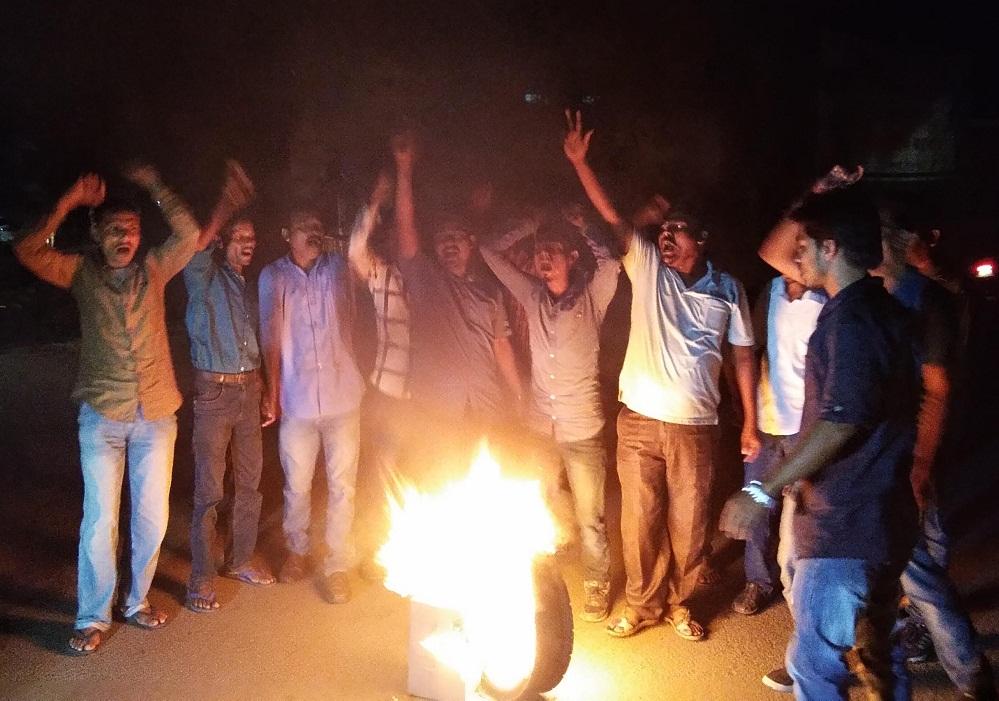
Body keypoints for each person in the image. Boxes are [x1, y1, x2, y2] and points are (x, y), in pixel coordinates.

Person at [563, 110, 760, 642]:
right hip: (640, 423)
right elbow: (613, 217)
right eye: (664, 230)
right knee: (639, 522)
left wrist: (749, 422)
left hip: (696, 425)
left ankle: (682, 603)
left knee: (690, 527)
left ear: (703, 240)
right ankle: (643, 603)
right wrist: (582, 164)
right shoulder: (647, 267)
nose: (667, 237)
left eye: (679, 232)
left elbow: (743, 354)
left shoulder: (727, 289)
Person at [721, 183, 920, 700]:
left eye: (805, 245)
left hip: (846, 527)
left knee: (815, 669)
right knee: (879, 655)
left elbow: (842, 419)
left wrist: (762, 489)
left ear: (830, 248)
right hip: (879, 517)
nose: (797, 255)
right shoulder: (879, 310)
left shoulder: (852, 321)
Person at [14, 166, 201, 654]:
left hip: (157, 414)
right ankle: (92, 615)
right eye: (115, 229)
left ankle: (135, 601)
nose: (126, 237)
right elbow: (27, 248)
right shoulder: (82, 273)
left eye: (133, 229)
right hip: (102, 416)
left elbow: (191, 234)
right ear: (97, 234)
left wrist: (158, 185)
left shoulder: (155, 269)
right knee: (100, 518)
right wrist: (72, 197)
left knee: (152, 516)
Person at [875, 219, 997, 700]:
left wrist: (920, 462)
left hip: (921, 448)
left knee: (919, 561)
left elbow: (938, 390)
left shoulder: (927, 300)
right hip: (920, 446)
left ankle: (967, 669)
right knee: (925, 557)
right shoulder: (900, 296)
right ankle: (948, 653)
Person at [480, 208, 620, 622]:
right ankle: (540, 579)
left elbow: (611, 261)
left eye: (553, 252)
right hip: (540, 425)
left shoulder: (594, 296)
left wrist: (582, 227)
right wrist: (530, 223)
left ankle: (597, 583)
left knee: (590, 517)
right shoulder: (532, 295)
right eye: (540, 253)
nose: (543, 259)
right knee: (538, 502)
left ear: (572, 258)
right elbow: (489, 251)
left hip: (582, 428)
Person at [391, 133, 522, 471]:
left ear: (471, 243)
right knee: (440, 486)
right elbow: (406, 231)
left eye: (456, 237)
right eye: (442, 238)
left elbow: (501, 346)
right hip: (437, 410)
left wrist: (519, 394)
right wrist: (404, 170)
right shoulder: (426, 281)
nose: (449, 243)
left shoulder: (489, 292)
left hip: (484, 406)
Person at [182, 161, 276, 613]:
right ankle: (201, 576)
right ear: (223, 243)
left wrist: (266, 391)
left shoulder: (247, 286)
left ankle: (239, 560)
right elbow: (199, 245)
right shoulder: (202, 277)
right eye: (240, 238)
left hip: (248, 392)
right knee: (209, 490)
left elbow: (261, 344)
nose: (249, 245)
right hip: (215, 396)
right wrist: (228, 200)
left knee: (251, 485)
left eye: (252, 240)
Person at [258, 205, 364, 603]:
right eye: (304, 226)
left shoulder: (338, 269)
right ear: (288, 233)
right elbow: (270, 333)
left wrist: (369, 203)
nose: (312, 233)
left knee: (342, 486)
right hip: (298, 400)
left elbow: (358, 249)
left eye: (317, 227)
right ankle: (298, 550)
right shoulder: (274, 276)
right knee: (297, 485)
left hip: (343, 396)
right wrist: (272, 392)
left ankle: (338, 563)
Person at [731, 274, 826, 617]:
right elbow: (746, 352)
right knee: (757, 504)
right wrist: (748, 422)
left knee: (800, 520)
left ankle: (805, 598)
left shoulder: (826, 295)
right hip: (768, 424)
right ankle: (758, 581)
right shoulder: (770, 291)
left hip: (807, 430)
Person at [347, 165, 411, 580]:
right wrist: (374, 203)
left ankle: (414, 547)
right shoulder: (381, 273)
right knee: (381, 477)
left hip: (424, 397)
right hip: (387, 392)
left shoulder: (427, 279)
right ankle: (375, 553)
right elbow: (355, 250)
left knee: (419, 474)